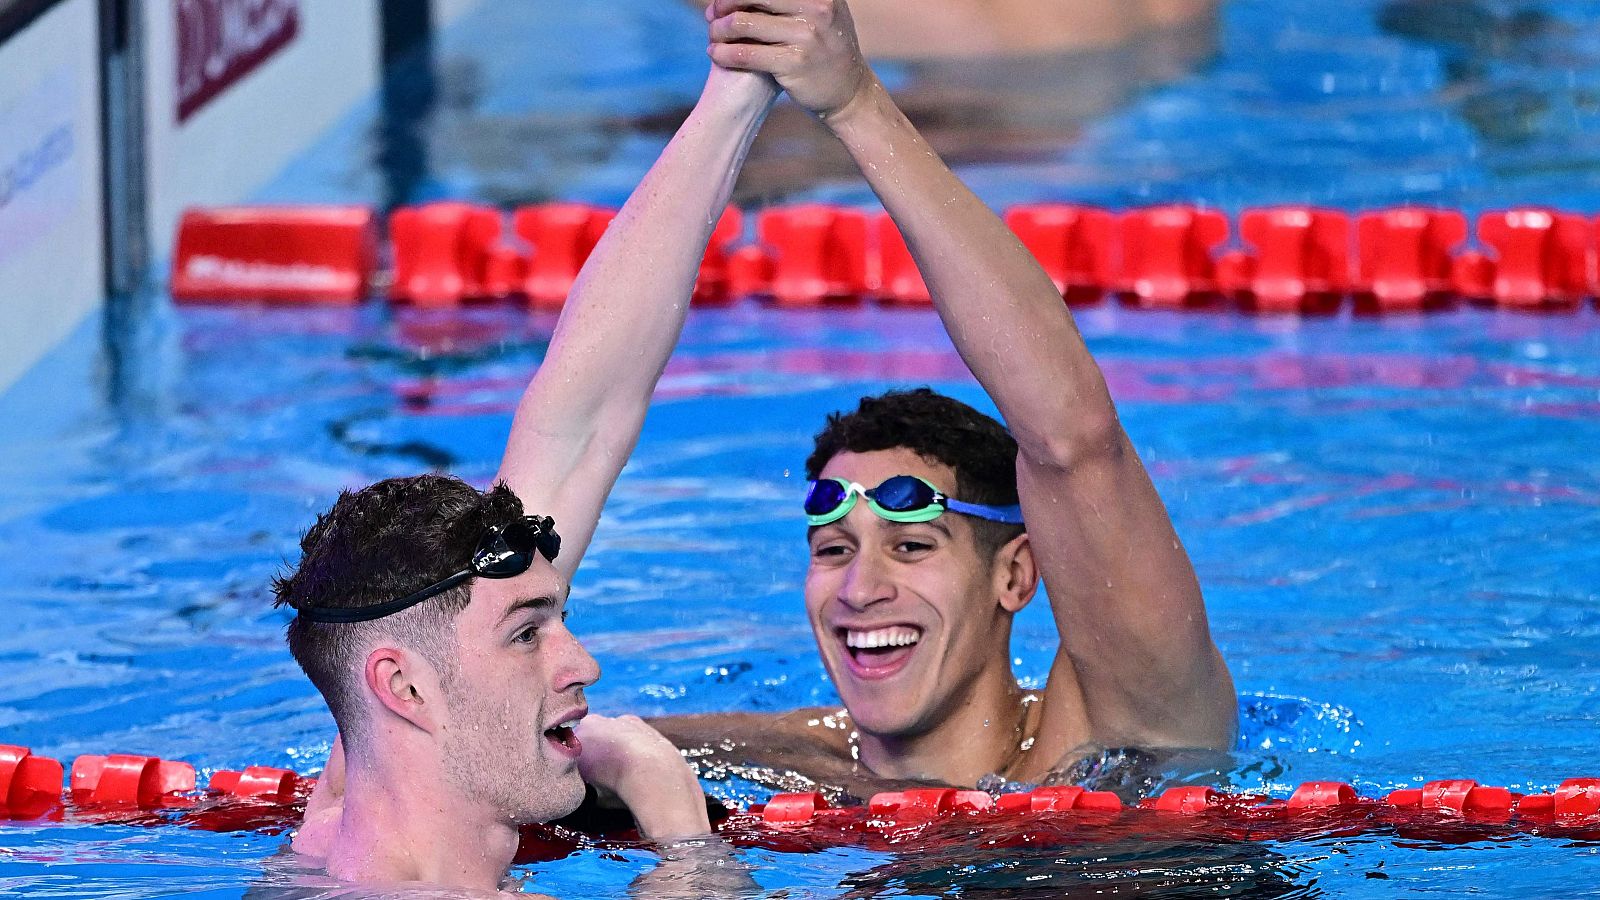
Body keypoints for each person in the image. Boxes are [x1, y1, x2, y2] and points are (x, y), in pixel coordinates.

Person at [647, 0, 1238, 799]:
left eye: (911, 546)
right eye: (834, 550)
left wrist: (855, 103)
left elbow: (1072, 438)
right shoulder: (783, 763)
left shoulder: (1121, 736)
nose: (860, 591)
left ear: (1015, 576)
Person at [275, 59, 780, 894]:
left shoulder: (341, 817)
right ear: (403, 687)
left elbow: (585, 418)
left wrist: (739, 87)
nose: (585, 666)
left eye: (555, 621)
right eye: (526, 633)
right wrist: (691, 852)